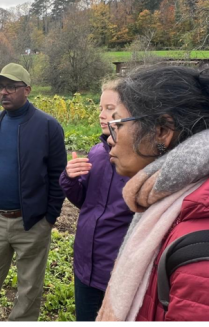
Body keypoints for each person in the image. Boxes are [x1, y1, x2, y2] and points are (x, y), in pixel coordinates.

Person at [94, 58, 209, 321]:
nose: (110, 138)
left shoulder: (208, 258)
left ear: (162, 130)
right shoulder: (179, 203)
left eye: (119, 124)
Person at [0, 63, 68, 321]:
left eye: (11, 87)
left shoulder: (48, 126)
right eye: (1, 87)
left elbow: (59, 177)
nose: (4, 92)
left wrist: (49, 218)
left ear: (27, 90)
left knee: (29, 287)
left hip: (32, 223)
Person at [59, 80, 133, 321]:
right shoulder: (97, 153)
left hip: (117, 270)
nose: (102, 115)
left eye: (110, 108)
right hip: (85, 264)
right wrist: (70, 178)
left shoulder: (138, 160)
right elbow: (86, 202)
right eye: (101, 108)